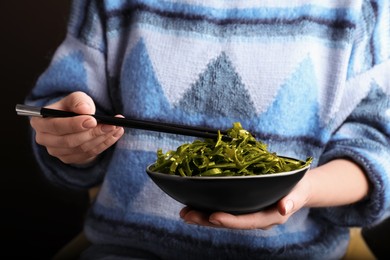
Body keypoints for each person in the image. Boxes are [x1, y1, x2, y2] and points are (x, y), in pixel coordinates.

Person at [24, 0, 389, 259]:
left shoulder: (360, 7)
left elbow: (379, 144)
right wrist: (70, 137)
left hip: (295, 253)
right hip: (128, 248)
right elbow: (63, 109)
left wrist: (302, 190)